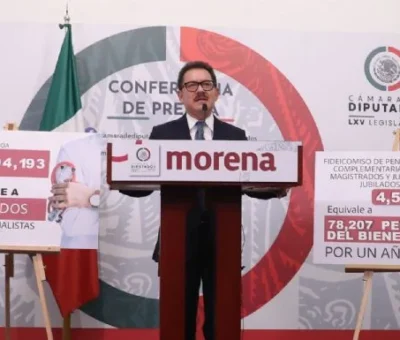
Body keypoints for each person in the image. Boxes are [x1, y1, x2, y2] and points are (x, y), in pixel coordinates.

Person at [119, 61, 287, 340]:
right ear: (179, 94)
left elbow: (249, 182)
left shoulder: (236, 137)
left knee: (220, 325)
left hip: (222, 243)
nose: (200, 90)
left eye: (206, 85)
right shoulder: (163, 134)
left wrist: (278, 187)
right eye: (192, 85)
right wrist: (119, 179)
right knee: (178, 322)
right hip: (177, 244)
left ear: (217, 93)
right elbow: (142, 182)